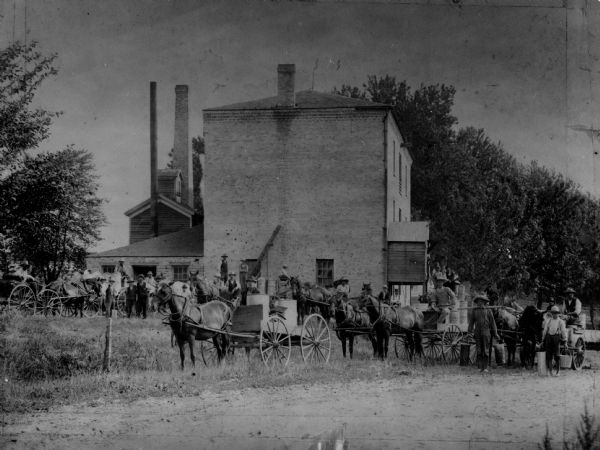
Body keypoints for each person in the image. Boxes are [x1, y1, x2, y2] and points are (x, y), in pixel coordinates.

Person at [468, 294, 500, 373]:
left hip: (486, 333)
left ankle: (485, 367)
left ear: (484, 302)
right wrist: (469, 332)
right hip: (477, 332)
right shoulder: (474, 311)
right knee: (479, 350)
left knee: (485, 351)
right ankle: (479, 367)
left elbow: (493, 323)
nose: (480, 303)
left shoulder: (488, 310)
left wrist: (495, 333)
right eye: (478, 301)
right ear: (477, 302)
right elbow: (471, 323)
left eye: (481, 301)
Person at [542, 305, 567, 376]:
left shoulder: (560, 321)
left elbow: (563, 331)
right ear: (551, 313)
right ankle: (550, 371)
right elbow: (545, 330)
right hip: (549, 338)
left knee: (557, 356)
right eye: (553, 313)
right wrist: (543, 339)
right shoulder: (549, 321)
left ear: (558, 313)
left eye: (556, 313)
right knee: (549, 355)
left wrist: (565, 341)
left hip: (556, 339)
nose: (554, 314)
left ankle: (558, 371)